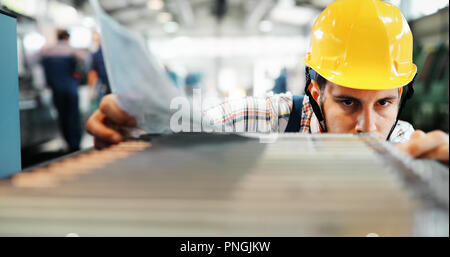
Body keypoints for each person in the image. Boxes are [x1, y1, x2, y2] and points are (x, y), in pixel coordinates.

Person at [85, 0, 449, 163]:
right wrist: (134, 127)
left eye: (384, 103)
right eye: (348, 102)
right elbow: (186, 132)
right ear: (315, 90)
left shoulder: (407, 148)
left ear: (400, 95)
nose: (369, 128)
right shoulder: (261, 119)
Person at [41, 29, 88, 152]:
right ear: (67, 37)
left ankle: (68, 142)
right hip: (71, 89)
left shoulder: (48, 51)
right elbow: (85, 61)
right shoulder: (72, 50)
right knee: (74, 116)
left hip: (57, 90)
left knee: (62, 117)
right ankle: (75, 144)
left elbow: (42, 69)